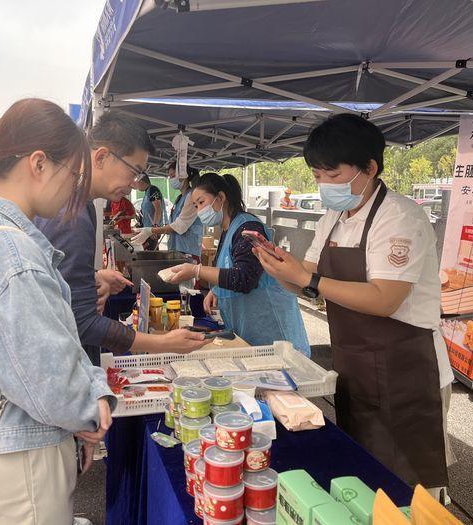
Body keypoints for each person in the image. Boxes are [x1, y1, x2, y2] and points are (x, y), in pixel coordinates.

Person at [0, 98, 114, 524]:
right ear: (38, 164)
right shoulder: (11, 254)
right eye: (73, 174)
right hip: (16, 469)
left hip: (2, 457)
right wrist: (93, 406)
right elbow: (51, 381)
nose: (74, 188)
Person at [255, 114, 454, 494]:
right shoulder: (333, 215)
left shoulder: (399, 216)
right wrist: (279, 268)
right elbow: (308, 279)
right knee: (364, 475)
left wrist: (307, 279)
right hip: (357, 366)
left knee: (412, 488)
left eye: (332, 176)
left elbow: (384, 298)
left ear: (370, 167)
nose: (323, 186)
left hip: (408, 372)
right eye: (316, 176)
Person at [35, 111, 205, 366]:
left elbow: (53, 277)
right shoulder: (71, 212)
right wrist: (163, 343)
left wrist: (92, 278)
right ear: (102, 157)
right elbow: (81, 322)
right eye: (134, 171)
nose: (134, 183)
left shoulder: (78, 203)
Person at [167, 173, 310, 354]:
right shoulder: (228, 229)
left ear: (220, 198)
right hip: (249, 334)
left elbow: (244, 277)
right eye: (195, 206)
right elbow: (231, 269)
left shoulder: (248, 227)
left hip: (273, 334)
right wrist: (216, 289)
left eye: (201, 203)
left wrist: (196, 270)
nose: (199, 211)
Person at [131, 162, 203, 260]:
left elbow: (179, 226)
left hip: (188, 252)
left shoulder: (192, 196)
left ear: (184, 175)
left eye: (173, 176)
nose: (171, 180)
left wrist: (152, 230)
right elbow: (173, 227)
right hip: (177, 249)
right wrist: (150, 231)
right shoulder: (179, 198)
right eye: (170, 177)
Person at [132, 174, 163, 250]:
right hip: (147, 229)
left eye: (137, 184)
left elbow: (158, 209)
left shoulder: (153, 190)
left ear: (141, 182)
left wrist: (154, 228)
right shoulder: (147, 192)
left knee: (152, 252)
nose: (136, 186)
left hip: (152, 231)